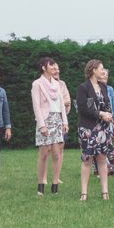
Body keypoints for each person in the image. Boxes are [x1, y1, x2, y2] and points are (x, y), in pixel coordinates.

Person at [76, 59, 114, 200]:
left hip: (104, 128)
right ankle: (84, 193)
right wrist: (101, 114)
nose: (103, 71)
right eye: (101, 68)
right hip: (88, 128)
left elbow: (107, 104)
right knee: (87, 159)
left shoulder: (103, 87)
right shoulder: (83, 88)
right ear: (93, 70)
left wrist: (109, 114)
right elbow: (83, 108)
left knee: (102, 158)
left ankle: (105, 192)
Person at [32, 57, 69, 196]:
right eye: (51, 66)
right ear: (43, 67)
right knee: (44, 152)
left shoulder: (57, 84)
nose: (54, 68)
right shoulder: (37, 84)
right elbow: (36, 105)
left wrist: (64, 122)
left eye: (55, 66)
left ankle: (55, 185)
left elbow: (62, 104)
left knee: (57, 153)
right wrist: (41, 125)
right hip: (45, 120)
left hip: (57, 119)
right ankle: (41, 185)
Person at [93, 69, 114, 176]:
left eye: (107, 75)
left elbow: (113, 105)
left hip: (110, 121)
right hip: (97, 121)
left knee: (112, 145)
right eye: (103, 75)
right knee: (98, 145)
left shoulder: (110, 89)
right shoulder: (92, 89)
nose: (106, 77)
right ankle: (100, 169)